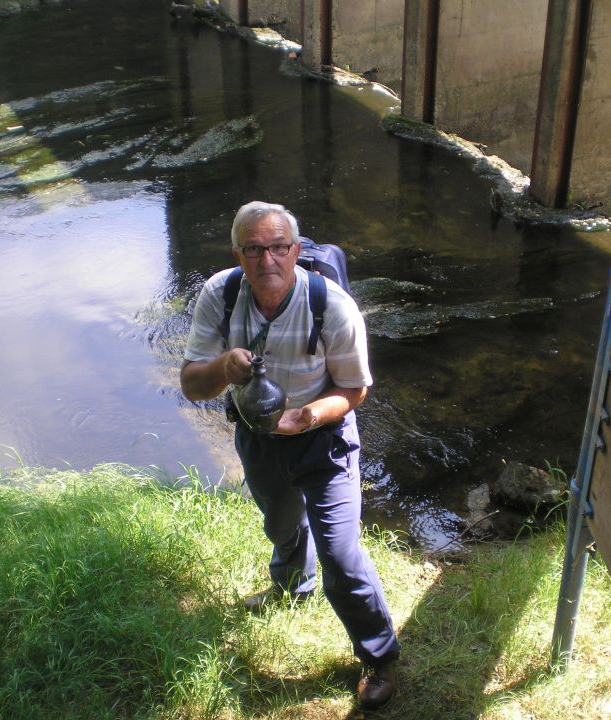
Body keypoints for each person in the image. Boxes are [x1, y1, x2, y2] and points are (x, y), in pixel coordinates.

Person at [180, 200, 400, 709]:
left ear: (296, 251)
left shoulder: (333, 307)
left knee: (341, 556)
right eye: (254, 249)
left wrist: (304, 417)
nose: (267, 260)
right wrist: (223, 369)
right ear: (238, 255)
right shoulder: (222, 293)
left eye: (279, 247)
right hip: (258, 438)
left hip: (324, 438)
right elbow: (193, 385)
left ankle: (380, 657)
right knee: (281, 526)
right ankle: (292, 587)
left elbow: (354, 391)